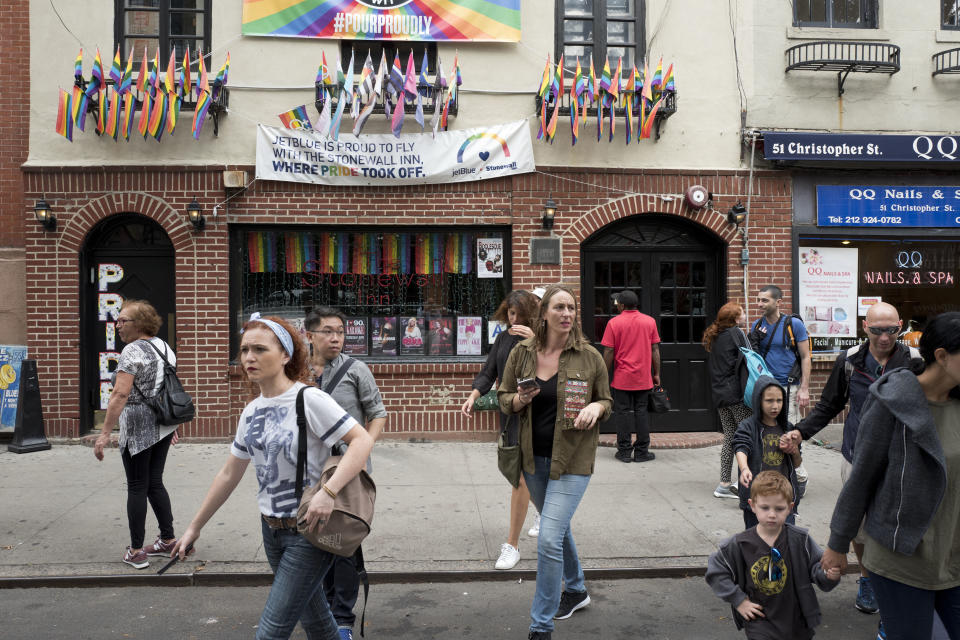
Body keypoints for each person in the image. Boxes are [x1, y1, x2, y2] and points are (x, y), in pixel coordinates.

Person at [172, 315, 374, 640]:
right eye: (244, 350)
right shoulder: (251, 410)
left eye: (260, 349)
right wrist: (195, 527)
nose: (249, 357)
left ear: (285, 356)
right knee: (319, 622)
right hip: (272, 532)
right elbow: (228, 473)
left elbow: (361, 440)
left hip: (308, 531)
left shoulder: (309, 400)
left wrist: (328, 492)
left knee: (270, 633)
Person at [821, 312, 960, 640]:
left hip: (954, 557)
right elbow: (862, 477)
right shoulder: (893, 401)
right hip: (902, 559)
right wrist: (838, 543)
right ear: (941, 356)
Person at [780, 301, 921, 618]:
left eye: (891, 330)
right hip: (857, 454)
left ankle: (893, 581)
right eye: (876, 330)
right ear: (864, 327)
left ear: (899, 326)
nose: (884, 337)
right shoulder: (850, 361)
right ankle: (868, 580)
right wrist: (801, 432)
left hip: (900, 458)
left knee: (893, 523)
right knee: (857, 525)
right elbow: (830, 405)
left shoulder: (914, 362)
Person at [498, 284, 612, 640]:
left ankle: (540, 626)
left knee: (547, 538)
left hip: (573, 461)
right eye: (560, 307)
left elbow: (606, 401)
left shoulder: (589, 357)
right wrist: (518, 400)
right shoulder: (522, 353)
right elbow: (502, 397)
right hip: (533, 460)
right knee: (555, 526)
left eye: (572, 308)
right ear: (544, 312)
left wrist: (595, 407)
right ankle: (576, 589)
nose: (567, 314)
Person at [306, 307, 387, 640]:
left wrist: (362, 449)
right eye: (327, 331)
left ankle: (342, 617)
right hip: (310, 471)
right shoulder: (296, 372)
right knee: (312, 541)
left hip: (347, 470)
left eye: (340, 331)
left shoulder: (356, 370)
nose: (336, 337)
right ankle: (320, 608)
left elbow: (377, 414)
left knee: (345, 543)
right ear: (309, 334)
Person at [93, 299, 180, 569]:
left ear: (140, 323)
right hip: (163, 425)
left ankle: (136, 551)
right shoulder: (165, 347)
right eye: (117, 320)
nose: (117, 325)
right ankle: (168, 540)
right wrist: (171, 427)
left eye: (123, 320)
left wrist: (104, 433)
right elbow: (169, 388)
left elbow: (120, 394)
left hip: (139, 426)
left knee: (137, 486)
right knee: (154, 482)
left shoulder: (131, 351)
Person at [705, 471, 840, 640]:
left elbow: (817, 566)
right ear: (752, 505)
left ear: (790, 508)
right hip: (760, 621)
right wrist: (739, 601)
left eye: (779, 508)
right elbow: (716, 571)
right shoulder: (740, 544)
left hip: (796, 619)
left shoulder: (800, 540)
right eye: (764, 507)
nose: (771, 514)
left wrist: (828, 574)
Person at [461, 290, 541, 571]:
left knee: (522, 477)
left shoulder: (543, 338)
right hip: (512, 413)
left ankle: (512, 545)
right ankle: (543, 510)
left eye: (519, 313)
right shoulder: (503, 338)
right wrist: (474, 395)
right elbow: (489, 371)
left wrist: (533, 339)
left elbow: (553, 372)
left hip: (540, 415)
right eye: (510, 312)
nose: (514, 318)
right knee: (518, 473)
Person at [733, 377, 804, 529]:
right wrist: (744, 468)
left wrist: (793, 450)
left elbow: (797, 463)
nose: (775, 406)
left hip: (783, 499)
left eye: (779, 400)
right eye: (769, 400)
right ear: (759, 401)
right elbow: (741, 447)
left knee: (784, 543)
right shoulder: (748, 426)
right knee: (757, 544)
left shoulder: (788, 428)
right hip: (758, 499)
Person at [600, 289, 661, 463]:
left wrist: (604, 374)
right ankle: (642, 452)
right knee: (641, 412)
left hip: (622, 378)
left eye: (617, 303)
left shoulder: (614, 323)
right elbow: (655, 349)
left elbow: (609, 351)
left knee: (622, 413)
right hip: (643, 378)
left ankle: (625, 451)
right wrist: (656, 373)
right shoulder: (649, 322)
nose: (616, 305)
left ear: (622, 305)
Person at [703, 302, 753, 499]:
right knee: (748, 435)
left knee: (730, 437)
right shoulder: (737, 333)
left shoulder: (716, 335)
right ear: (735, 319)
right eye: (742, 312)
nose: (745, 314)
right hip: (736, 395)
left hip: (721, 395)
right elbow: (751, 356)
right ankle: (747, 481)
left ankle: (724, 483)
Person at [750, 285, 812, 425]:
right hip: (764, 386)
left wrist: (804, 388)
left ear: (778, 302)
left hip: (788, 387)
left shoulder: (794, 324)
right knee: (766, 431)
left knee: (789, 432)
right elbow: (753, 358)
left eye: (765, 301)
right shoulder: (757, 325)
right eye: (758, 300)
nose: (759, 304)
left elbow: (805, 357)